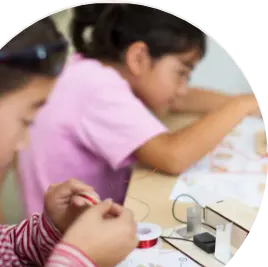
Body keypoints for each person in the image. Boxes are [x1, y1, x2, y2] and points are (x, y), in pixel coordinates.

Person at [0, 16, 137, 267]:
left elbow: (0, 257)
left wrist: (50, 231)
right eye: (25, 121)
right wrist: (81, 262)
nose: (23, 143)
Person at [14, 4, 260, 218]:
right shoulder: (96, 87)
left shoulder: (89, 70)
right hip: (68, 245)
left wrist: (248, 101)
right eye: (182, 72)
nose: (183, 88)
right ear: (139, 57)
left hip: (74, 226)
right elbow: (173, 156)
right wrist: (242, 105)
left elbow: (178, 101)